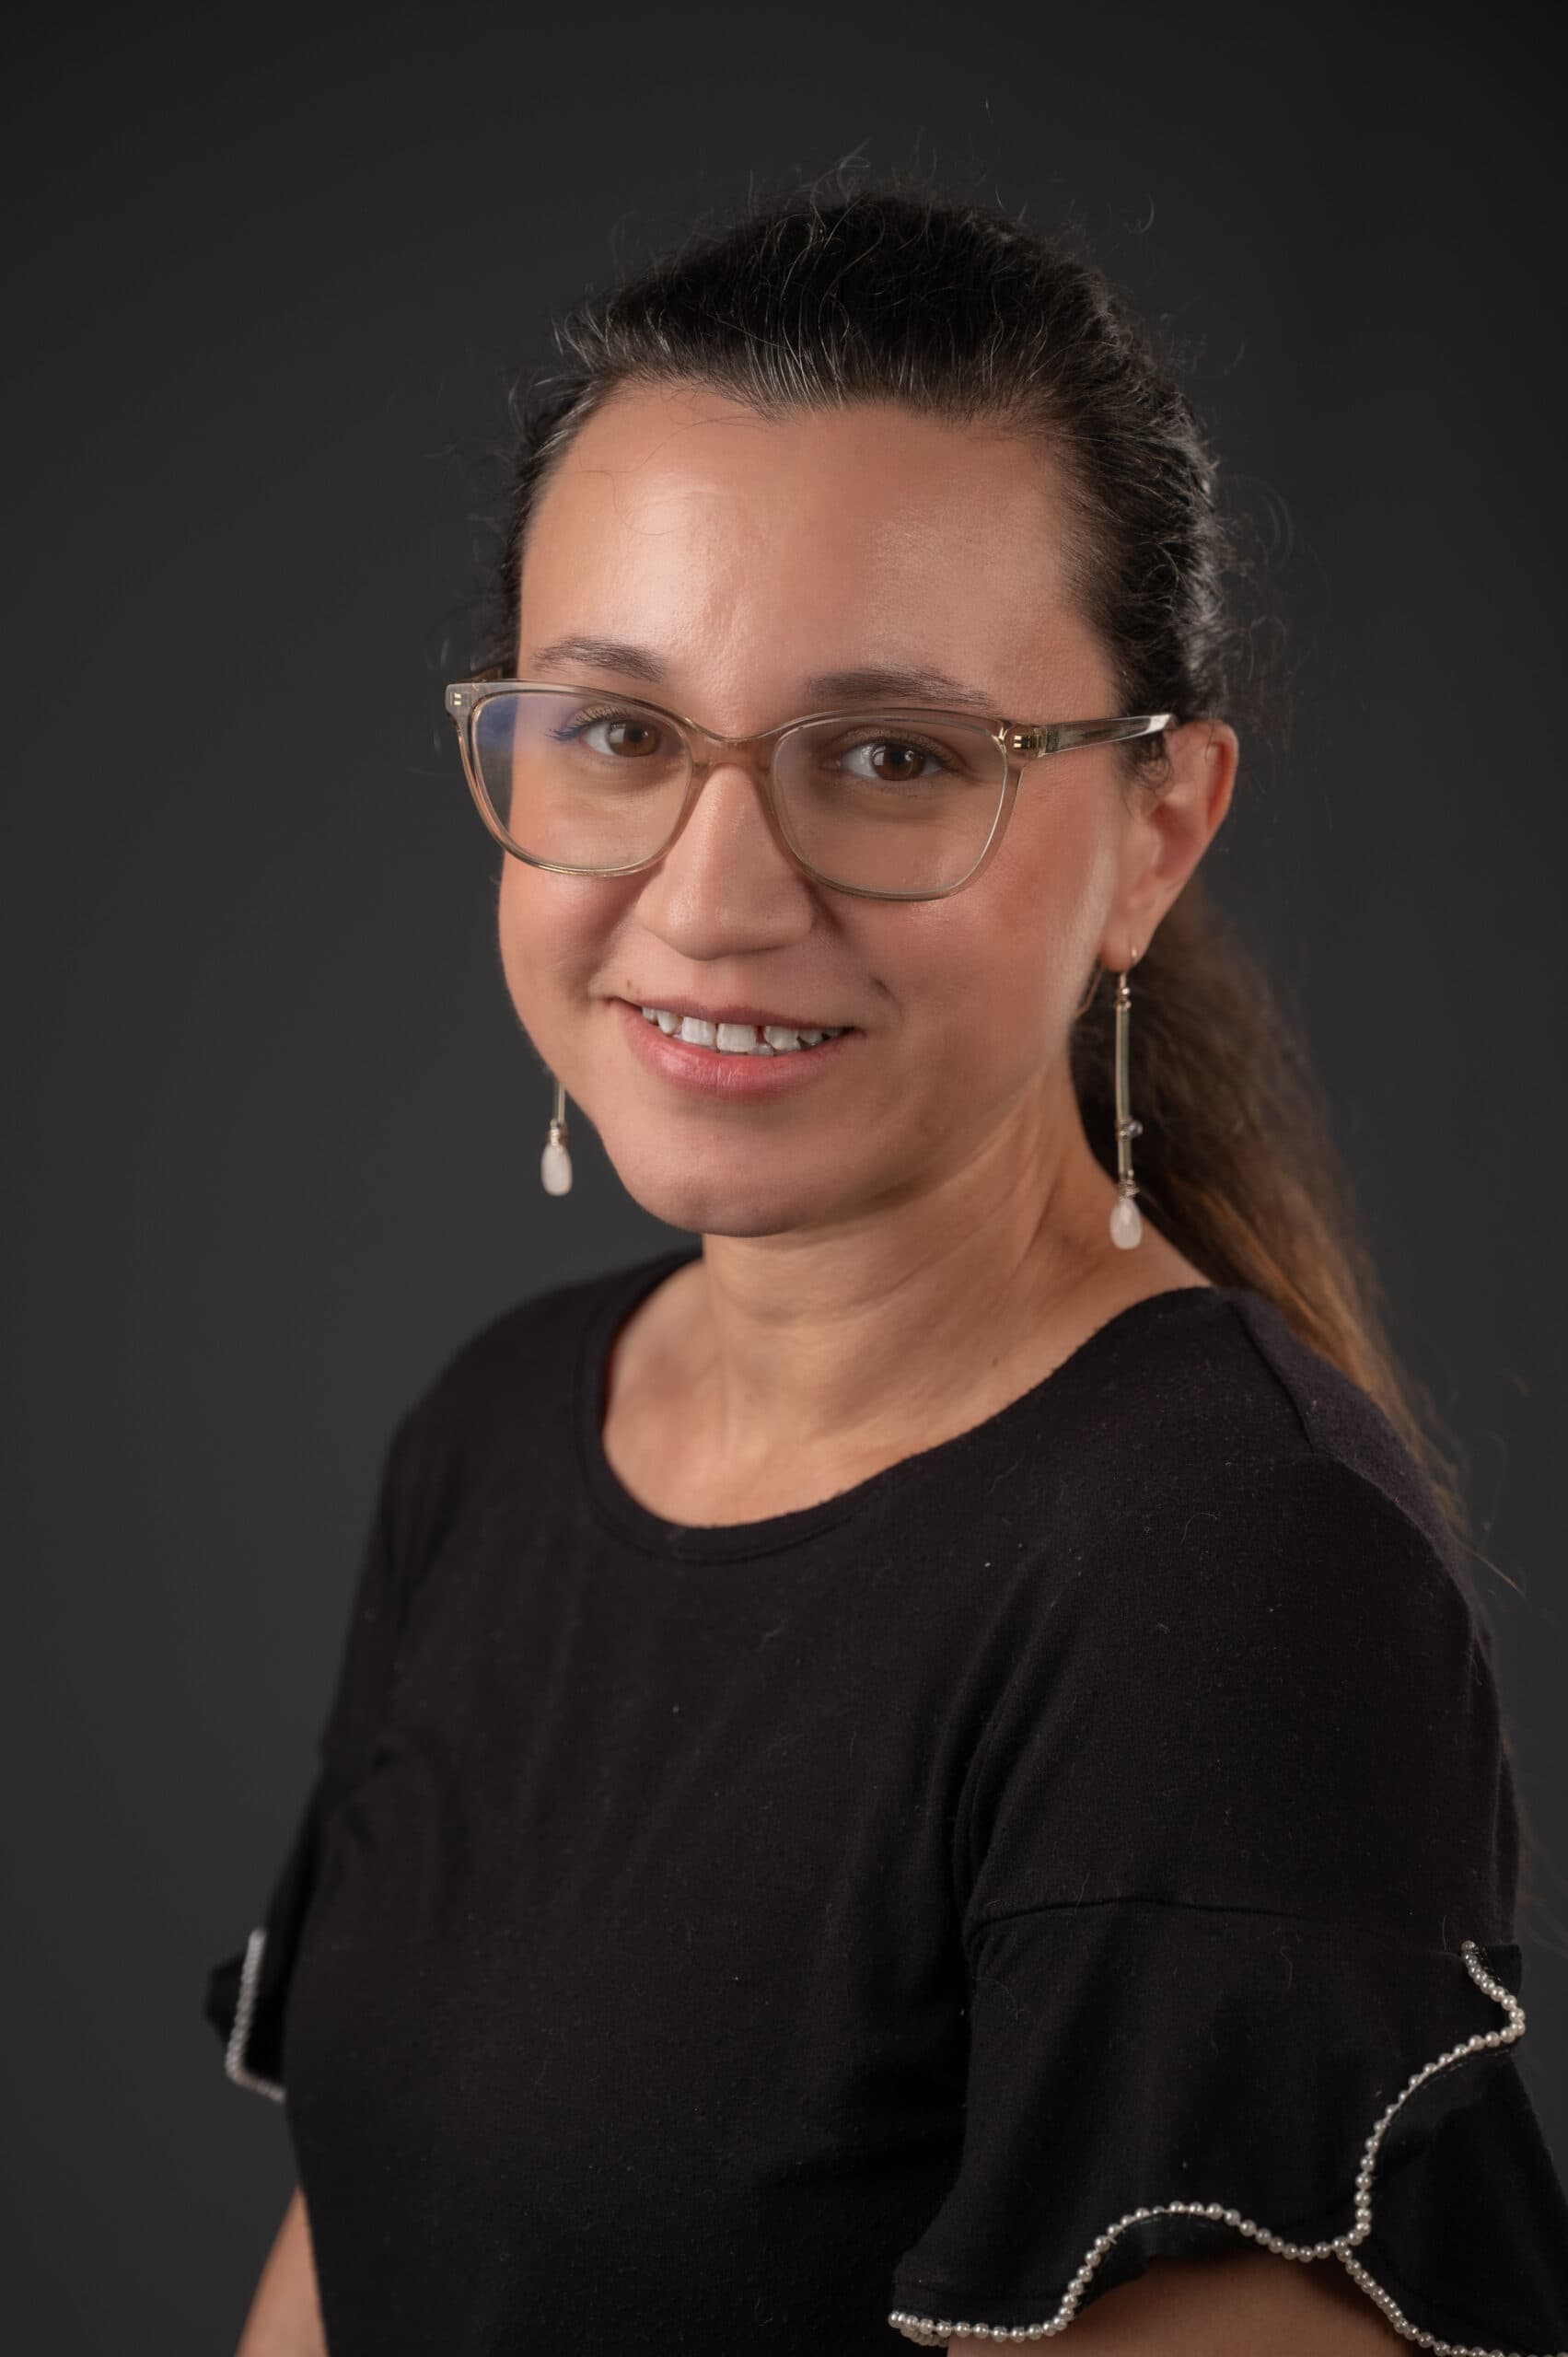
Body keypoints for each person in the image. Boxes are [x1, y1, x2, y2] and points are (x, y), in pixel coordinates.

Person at [203, 170, 1568, 2356]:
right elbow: (349, 2262)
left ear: (1156, 832)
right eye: (619, 733)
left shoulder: (1232, 1569)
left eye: (894, 756)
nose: (713, 895)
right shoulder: (494, 1436)